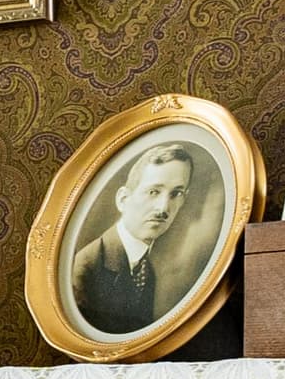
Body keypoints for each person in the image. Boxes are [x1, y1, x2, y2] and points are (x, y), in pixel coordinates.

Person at [74, 143, 203, 335]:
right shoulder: (85, 268)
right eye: (154, 192)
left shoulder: (145, 268)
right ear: (123, 199)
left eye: (176, 194)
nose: (163, 208)